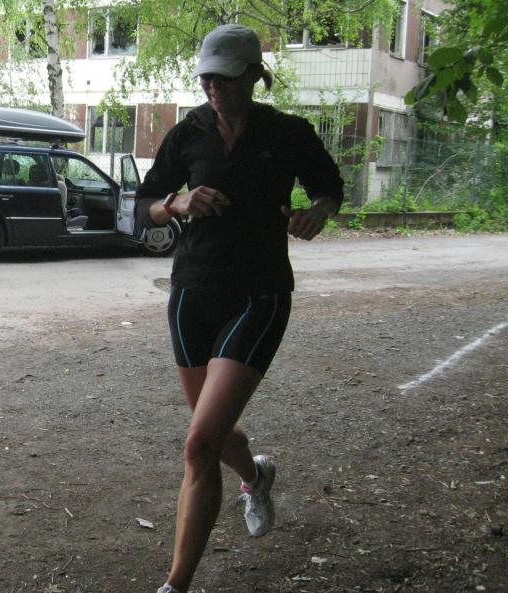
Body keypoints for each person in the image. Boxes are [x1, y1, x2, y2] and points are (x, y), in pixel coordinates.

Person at [133, 24, 344, 593]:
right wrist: (176, 202)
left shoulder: (289, 133)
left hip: (259, 294)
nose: (213, 87)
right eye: (206, 77)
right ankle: (257, 476)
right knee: (216, 433)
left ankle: (175, 585)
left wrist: (318, 212)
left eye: (225, 77)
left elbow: (330, 187)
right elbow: (143, 205)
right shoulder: (188, 133)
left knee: (199, 443)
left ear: (255, 75)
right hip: (191, 295)